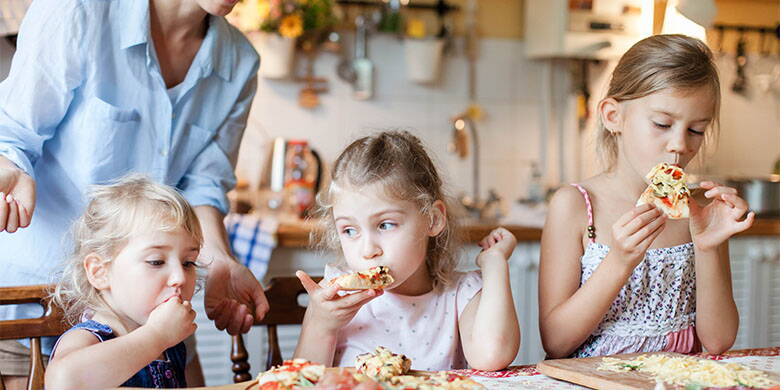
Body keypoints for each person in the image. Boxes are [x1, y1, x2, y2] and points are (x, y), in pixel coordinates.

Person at [0, 0, 269, 387]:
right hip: (35, 302)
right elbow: (12, 135)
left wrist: (220, 260)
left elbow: (204, 185)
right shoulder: (78, 11)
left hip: (148, 306)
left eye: (189, 264)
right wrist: (9, 167)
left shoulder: (239, 61)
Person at [538, 34, 755, 359]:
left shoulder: (700, 212)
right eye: (662, 124)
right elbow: (556, 343)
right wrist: (619, 261)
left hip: (678, 379)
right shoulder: (575, 206)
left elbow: (719, 341)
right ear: (613, 116)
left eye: (696, 130)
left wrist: (708, 247)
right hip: (596, 378)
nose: (680, 145)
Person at [293, 131, 520, 371]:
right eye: (349, 230)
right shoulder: (334, 298)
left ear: (432, 220)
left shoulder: (460, 294)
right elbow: (301, 381)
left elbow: (492, 356)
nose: (368, 250)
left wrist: (495, 263)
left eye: (385, 225)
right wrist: (321, 325)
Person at [45, 175, 201, 388]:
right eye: (156, 262)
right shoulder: (88, 338)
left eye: (188, 263)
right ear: (100, 272)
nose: (180, 277)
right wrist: (157, 335)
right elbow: (64, 381)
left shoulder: (171, 343)